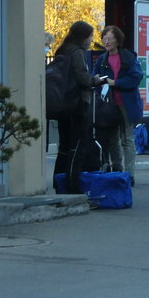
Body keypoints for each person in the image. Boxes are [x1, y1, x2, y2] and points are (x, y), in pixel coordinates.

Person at [91, 25, 145, 179]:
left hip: (126, 103)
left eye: (109, 38)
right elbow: (95, 76)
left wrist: (115, 83)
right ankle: (117, 170)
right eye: (104, 38)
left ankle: (129, 175)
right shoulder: (102, 59)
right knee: (113, 138)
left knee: (127, 138)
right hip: (108, 105)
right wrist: (96, 80)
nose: (106, 41)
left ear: (117, 40)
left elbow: (136, 78)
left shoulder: (128, 57)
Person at [51, 20, 96, 194]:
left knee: (63, 147)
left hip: (63, 103)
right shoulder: (77, 53)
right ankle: (72, 185)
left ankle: (58, 182)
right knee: (77, 146)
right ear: (83, 36)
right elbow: (83, 78)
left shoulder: (61, 50)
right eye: (89, 36)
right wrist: (95, 80)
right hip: (77, 104)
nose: (91, 40)